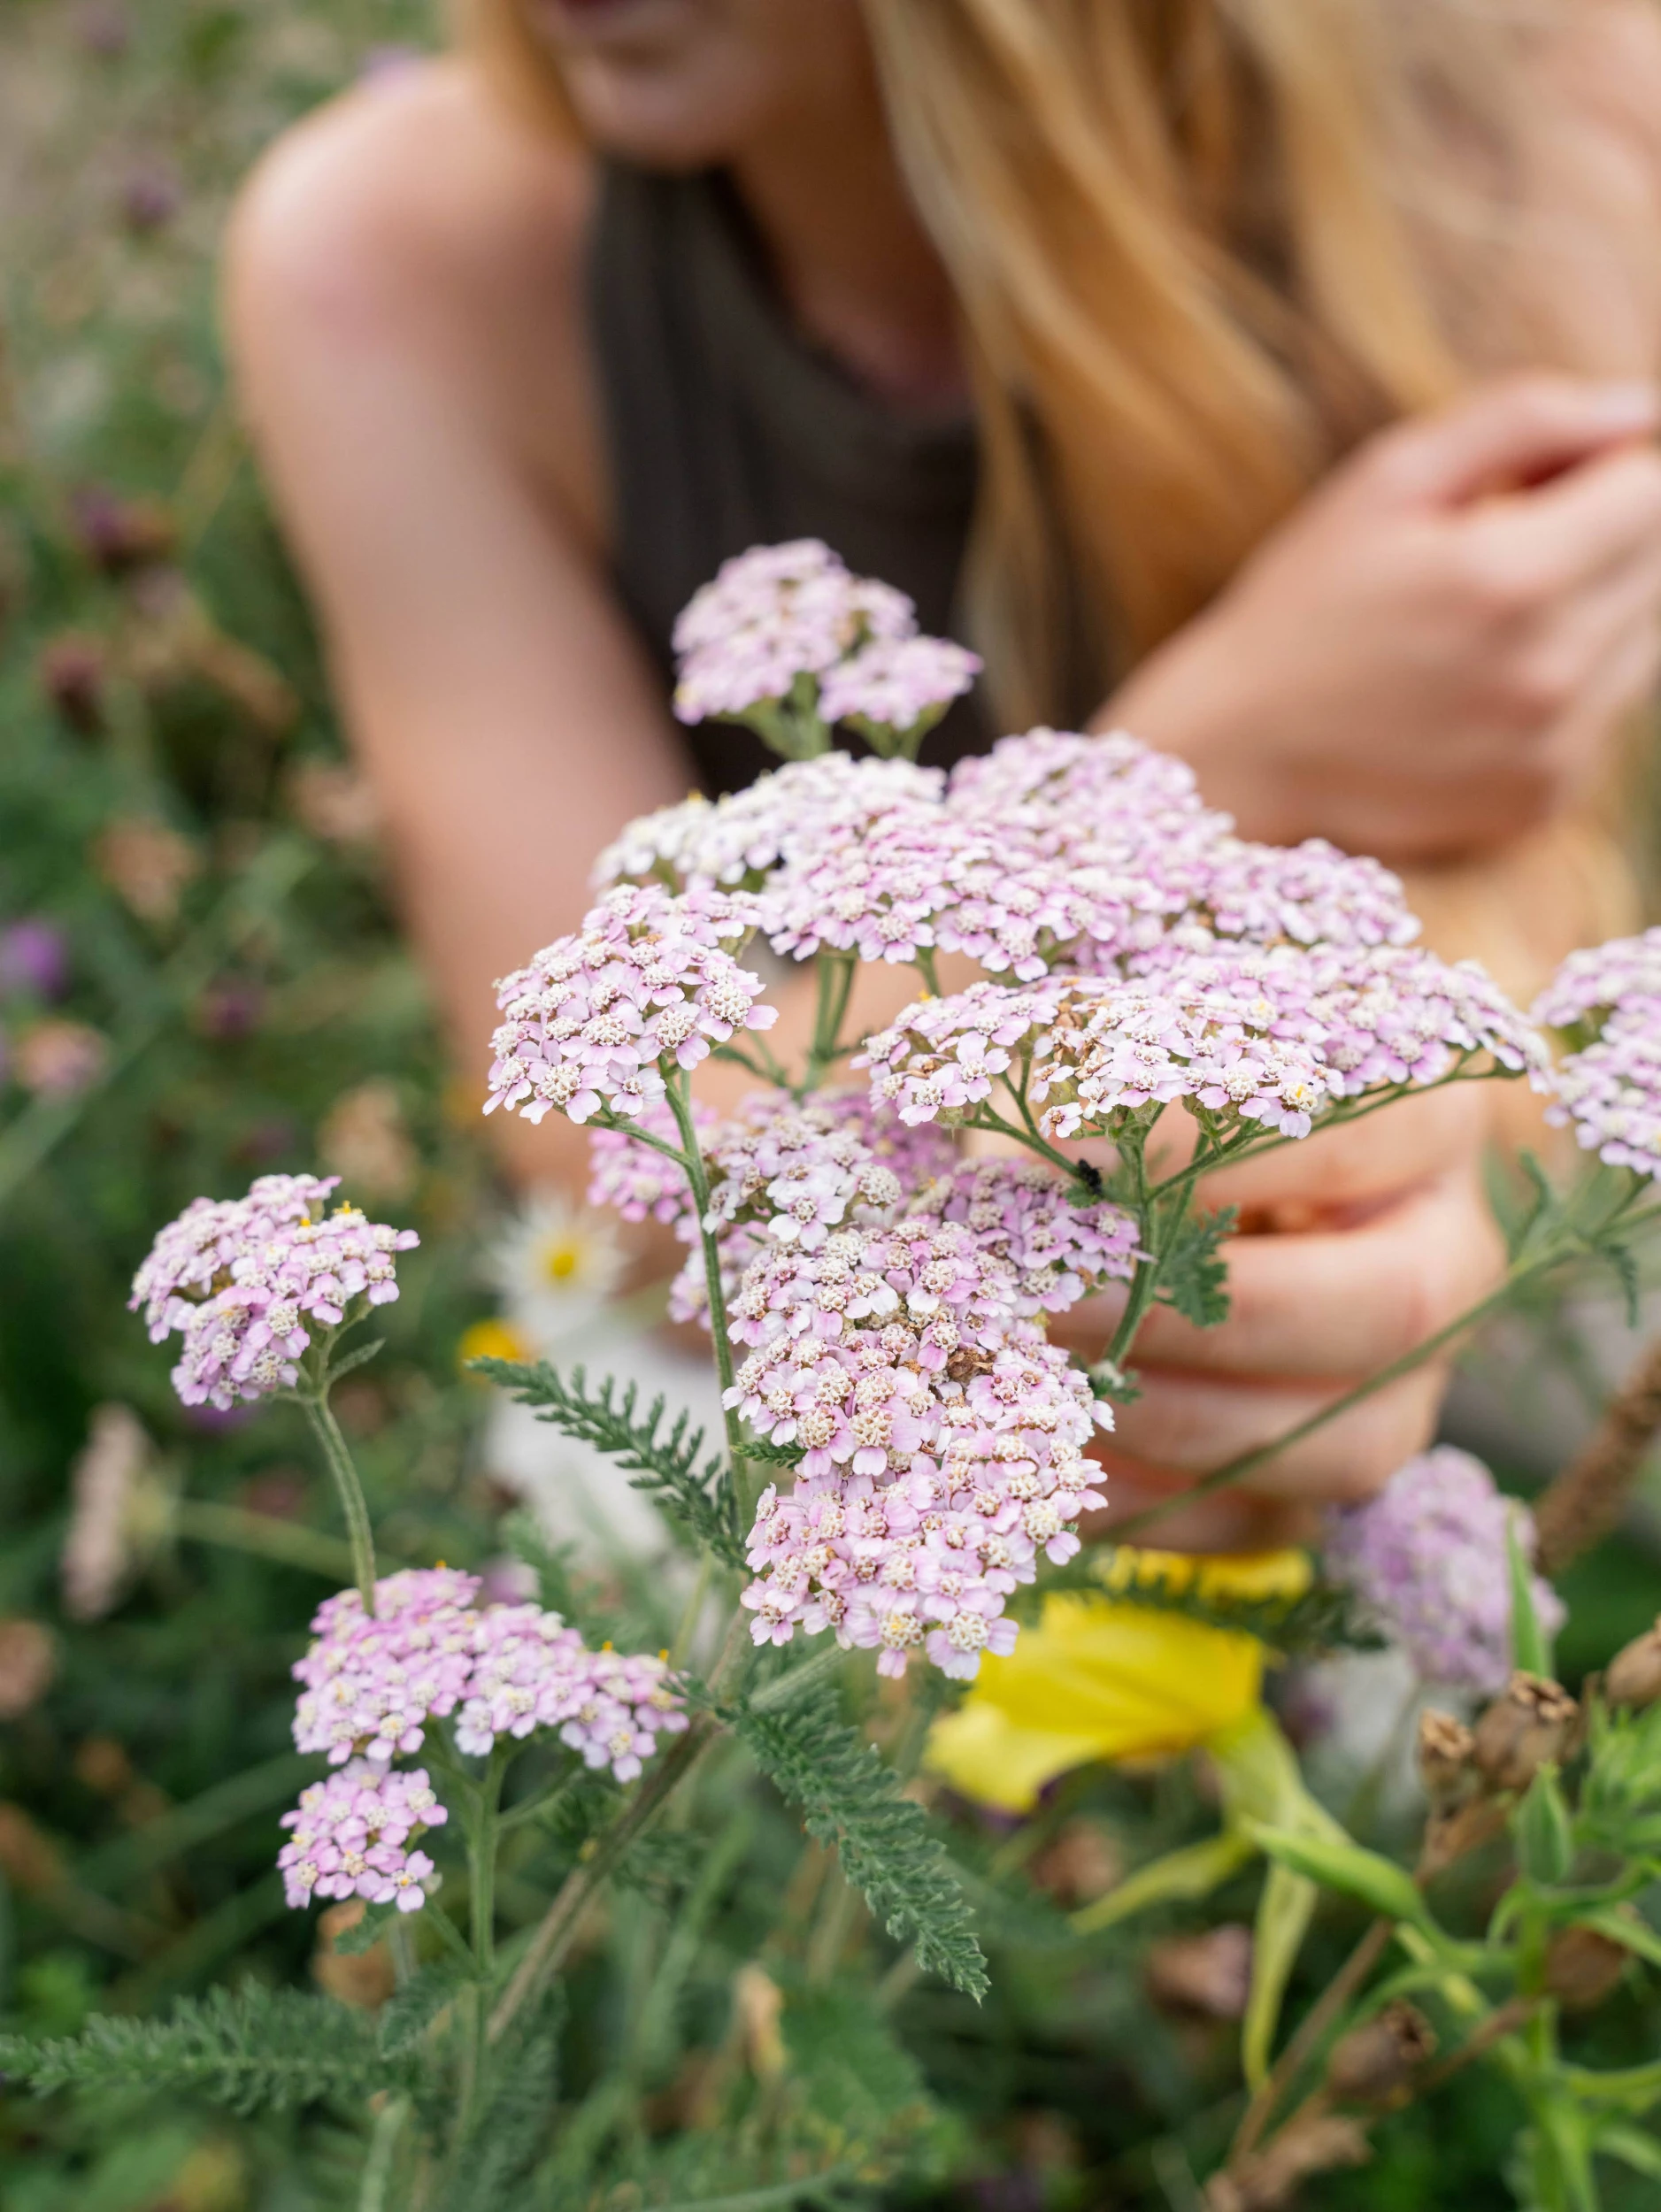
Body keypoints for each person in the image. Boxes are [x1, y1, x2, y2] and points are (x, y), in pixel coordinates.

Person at [224, 0, 1661, 1551]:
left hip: (1463, 1211)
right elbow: (624, 1180)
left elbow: (1541, 896)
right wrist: (1222, 752)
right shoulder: (402, 262)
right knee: (603, 1496)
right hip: (922, 1352)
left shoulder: (1506, 90)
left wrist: (1379, 1187)